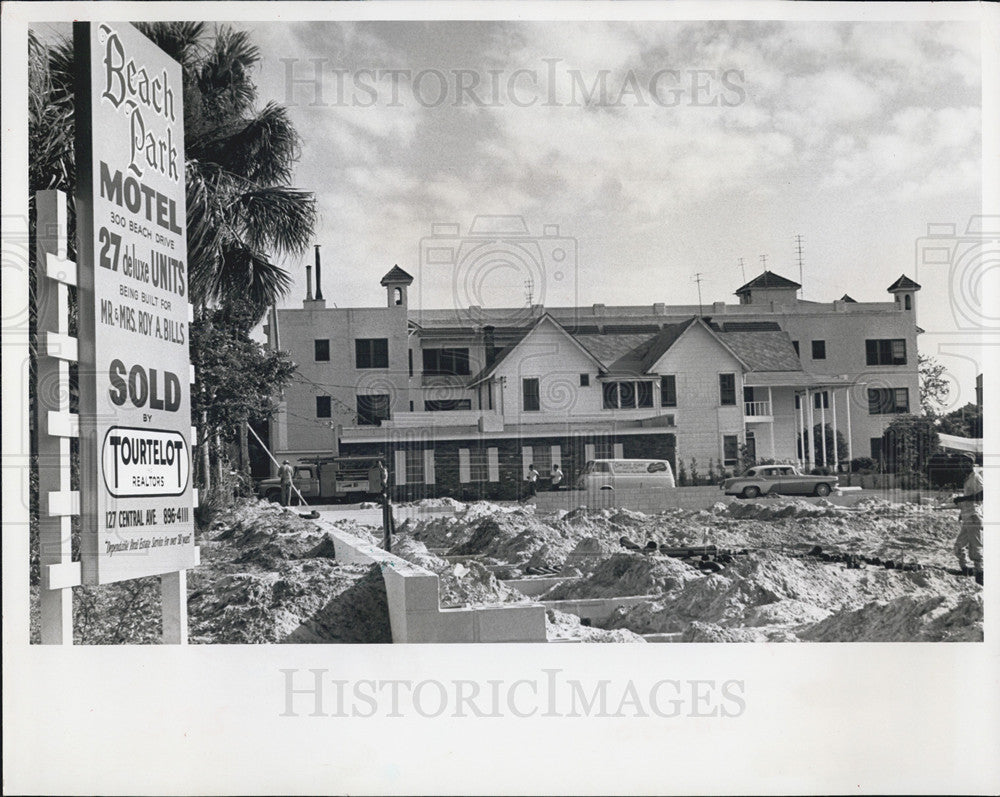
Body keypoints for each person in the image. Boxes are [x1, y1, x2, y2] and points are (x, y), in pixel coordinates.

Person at [953, 454, 983, 584]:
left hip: (974, 517)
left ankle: (980, 574)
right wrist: (962, 511)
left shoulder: (975, 477)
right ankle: (965, 569)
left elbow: (982, 495)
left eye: (965, 463)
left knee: (975, 548)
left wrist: (962, 499)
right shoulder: (967, 479)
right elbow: (970, 499)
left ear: (971, 464)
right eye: (961, 464)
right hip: (967, 517)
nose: (963, 466)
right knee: (958, 546)